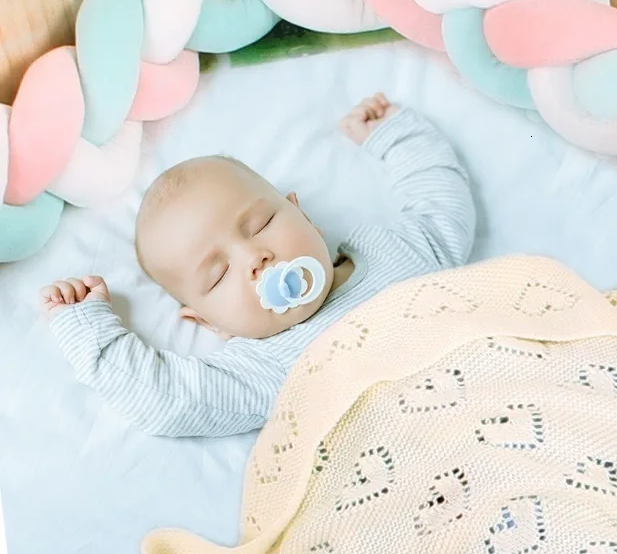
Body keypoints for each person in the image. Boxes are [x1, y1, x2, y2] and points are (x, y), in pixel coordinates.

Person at [40, 94, 476, 437]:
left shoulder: (391, 254)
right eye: (219, 274)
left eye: (261, 224)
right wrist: (91, 332)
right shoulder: (260, 371)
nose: (254, 257)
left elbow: (441, 208)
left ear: (303, 215)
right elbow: (165, 400)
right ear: (209, 323)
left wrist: (396, 136)